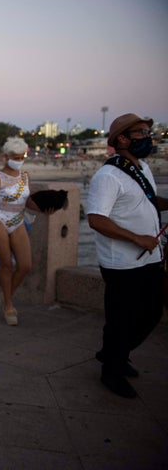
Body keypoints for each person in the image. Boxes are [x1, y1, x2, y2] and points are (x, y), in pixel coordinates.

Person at [86, 113, 166, 399]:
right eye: (141, 133)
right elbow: (96, 219)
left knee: (152, 313)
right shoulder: (107, 176)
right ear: (122, 138)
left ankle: (112, 354)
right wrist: (137, 238)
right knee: (122, 318)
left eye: (147, 132)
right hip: (122, 263)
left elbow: (146, 199)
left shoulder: (141, 167)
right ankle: (112, 370)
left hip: (150, 258)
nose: (148, 138)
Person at [0, 137, 52, 326]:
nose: (19, 160)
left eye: (22, 157)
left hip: (18, 220)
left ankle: (5, 293)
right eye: (15, 157)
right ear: (6, 156)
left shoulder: (25, 177)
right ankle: (8, 305)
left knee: (25, 265)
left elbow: (26, 201)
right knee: (6, 266)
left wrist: (42, 208)